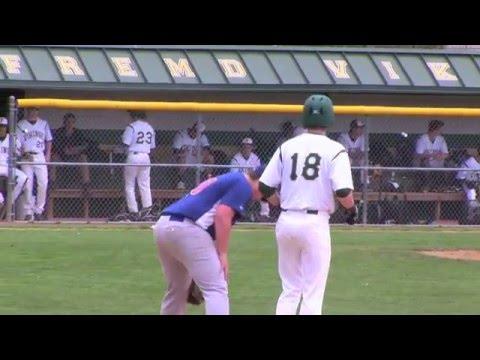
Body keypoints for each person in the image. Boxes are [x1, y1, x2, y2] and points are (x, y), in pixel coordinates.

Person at [258, 94, 357, 315]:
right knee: (312, 292)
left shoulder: (287, 146)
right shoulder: (335, 149)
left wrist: (279, 203)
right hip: (315, 223)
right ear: (330, 118)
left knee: (290, 289)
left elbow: (264, 187)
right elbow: (343, 191)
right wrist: (352, 210)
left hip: (286, 221)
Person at [152, 166, 270, 315]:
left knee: (177, 289)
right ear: (261, 180)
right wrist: (223, 254)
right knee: (216, 287)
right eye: (266, 191)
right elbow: (222, 215)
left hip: (164, 226)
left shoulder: (232, 178)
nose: (261, 197)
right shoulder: (243, 183)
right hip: (188, 229)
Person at [16, 107, 52, 221]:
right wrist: (24, 154)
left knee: (43, 183)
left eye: (35, 110)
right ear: (27, 111)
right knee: (27, 184)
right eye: (30, 110)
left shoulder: (44, 123)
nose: (32, 112)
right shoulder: (21, 124)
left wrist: (48, 155)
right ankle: (28, 211)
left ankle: (39, 210)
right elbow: (17, 143)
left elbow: (49, 140)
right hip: (26, 156)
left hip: (39, 155)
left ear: (38, 112)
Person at [122, 110, 156, 218]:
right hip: (146, 156)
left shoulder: (131, 126)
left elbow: (125, 143)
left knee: (130, 185)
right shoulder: (150, 128)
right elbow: (152, 147)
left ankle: (133, 212)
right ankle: (147, 210)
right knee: (145, 184)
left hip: (133, 155)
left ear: (135, 116)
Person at [230, 137, 270, 220]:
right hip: (240, 183)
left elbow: (259, 173)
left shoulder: (255, 158)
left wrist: (250, 175)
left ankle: (264, 215)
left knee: (264, 189)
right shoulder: (236, 158)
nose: (247, 148)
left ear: (252, 147)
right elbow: (233, 175)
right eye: (245, 146)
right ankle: (237, 214)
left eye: (249, 146)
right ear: (241, 147)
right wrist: (250, 174)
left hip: (253, 182)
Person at [51, 113, 92, 189]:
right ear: (64, 122)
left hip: (75, 156)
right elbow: (55, 145)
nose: (70, 124)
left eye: (72, 122)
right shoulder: (59, 132)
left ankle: (86, 184)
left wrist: (76, 149)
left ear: (74, 123)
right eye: (68, 122)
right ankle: (52, 183)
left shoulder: (78, 133)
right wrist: (63, 150)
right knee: (53, 157)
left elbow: (85, 145)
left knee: (83, 157)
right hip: (62, 156)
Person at [172, 122, 211, 189]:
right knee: (182, 157)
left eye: (198, 133)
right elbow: (175, 152)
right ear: (192, 129)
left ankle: (208, 180)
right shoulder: (181, 134)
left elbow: (207, 150)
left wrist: (200, 153)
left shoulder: (202, 136)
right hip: (183, 159)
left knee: (210, 158)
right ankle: (180, 182)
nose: (196, 134)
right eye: (195, 131)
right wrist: (182, 153)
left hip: (196, 159)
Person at [414, 120, 449, 190]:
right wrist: (432, 155)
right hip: (424, 162)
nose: (441, 131)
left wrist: (439, 156)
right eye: (440, 129)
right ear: (434, 129)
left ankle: (440, 188)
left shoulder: (441, 139)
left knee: (445, 166)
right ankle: (426, 188)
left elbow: (446, 154)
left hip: (437, 162)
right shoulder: (423, 138)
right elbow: (418, 155)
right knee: (425, 165)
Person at [0, 117, 27, 208]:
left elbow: (20, 153)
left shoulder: (12, 139)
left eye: (3, 126)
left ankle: (9, 202)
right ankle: (1, 200)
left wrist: (24, 154)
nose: (1, 128)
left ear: (6, 127)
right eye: (0, 126)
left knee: (23, 178)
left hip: (8, 167)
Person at [337, 119, 366, 189]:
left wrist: (354, 153)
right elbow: (345, 154)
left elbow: (363, 153)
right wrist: (355, 153)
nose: (361, 130)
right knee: (348, 160)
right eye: (359, 128)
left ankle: (363, 184)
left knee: (363, 162)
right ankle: (346, 184)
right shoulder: (343, 137)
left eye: (362, 128)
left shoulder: (362, 138)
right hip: (345, 160)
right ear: (353, 128)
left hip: (358, 160)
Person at [455, 148, 480, 223]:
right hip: (466, 183)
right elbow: (463, 179)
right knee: (471, 193)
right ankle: (469, 218)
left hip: (476, 184)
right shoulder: (469, 162)